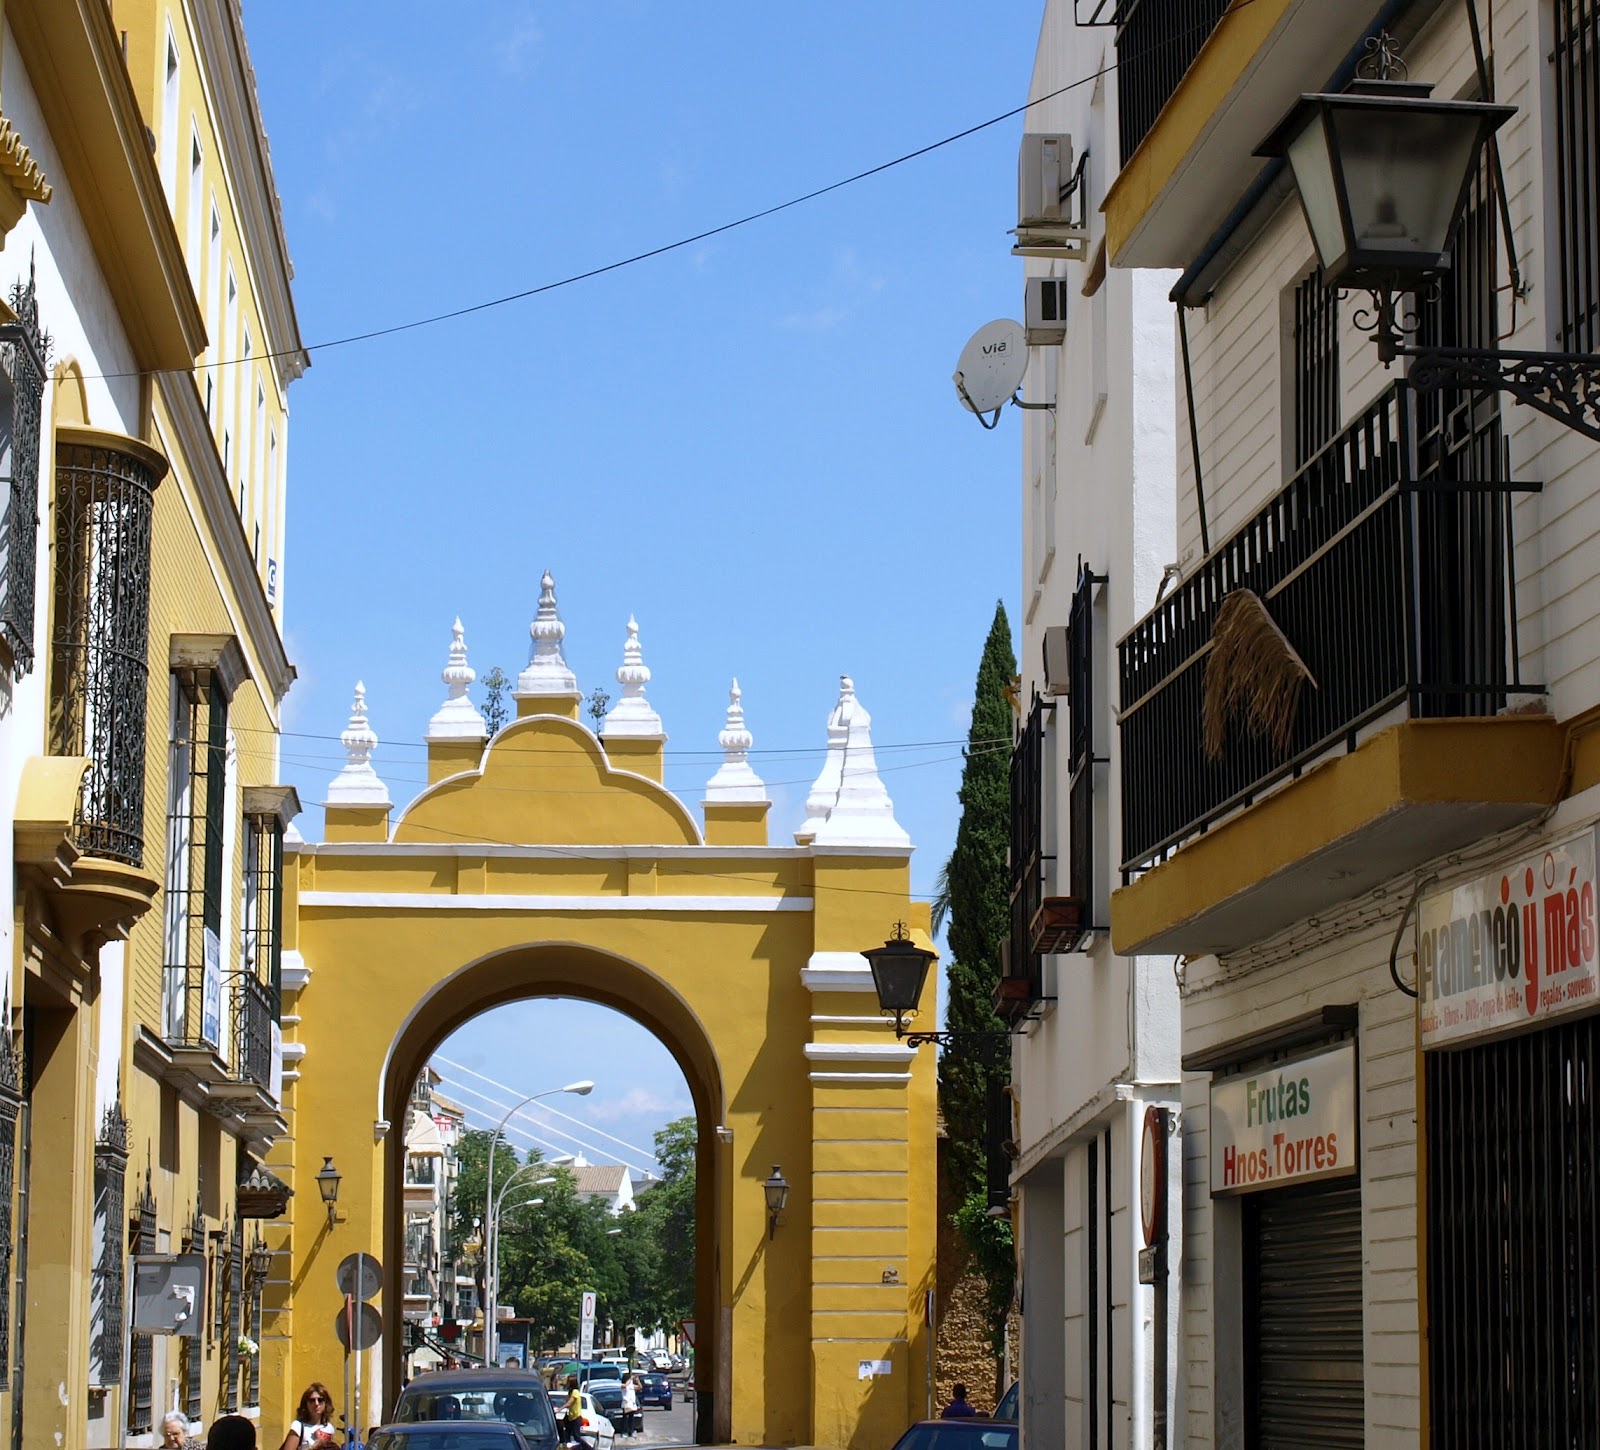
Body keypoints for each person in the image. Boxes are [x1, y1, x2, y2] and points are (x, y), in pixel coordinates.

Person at [279, 1383, 338, 1449]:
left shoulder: (329, 1428)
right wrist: (313, 1448)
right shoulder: (298, 1426)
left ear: (326, 1403)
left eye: (320, 1400)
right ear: (306, 1404)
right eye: (312, 1400)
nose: (316, 1403)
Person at [562, 1374, 591, 1450]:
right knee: (567, 1435)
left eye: (568, 1382)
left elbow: (569, 1403)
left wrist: (560, 1409)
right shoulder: (570, 1392)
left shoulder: (575, 1392)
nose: (567, 1383)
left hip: (576, 1417)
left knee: (576, 1436)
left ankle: (589, 1448)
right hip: (570, 1417)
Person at [620, 1372, 639, 1437]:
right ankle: (624, 1432)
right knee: (625, 1419)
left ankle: (631, 1432)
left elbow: (639, 1387)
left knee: (632, 1419)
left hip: (632, 1404)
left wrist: (637, 1381)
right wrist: (630, 1379)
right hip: (626, 1404)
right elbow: (625, 1385)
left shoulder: (631, 1385)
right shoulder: (622, 1385)